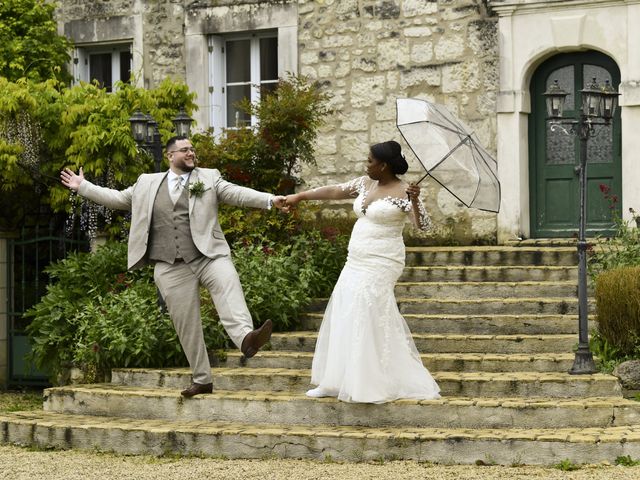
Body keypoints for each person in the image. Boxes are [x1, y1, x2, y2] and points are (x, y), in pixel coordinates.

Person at [60, 135, 289, 398]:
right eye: (185, 150)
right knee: (186, 324)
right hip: (170, 265)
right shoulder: (146, 183)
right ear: (170, 156)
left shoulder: (209, 177)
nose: (191, 153)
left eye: (193, 149)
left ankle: (247, 339)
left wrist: (270, 200)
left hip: (208, 255)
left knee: (228, 288)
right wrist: (83, 186)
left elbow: (236, 193)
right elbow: (117, 198)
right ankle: (202, 379)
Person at [285, 140, 441, 403]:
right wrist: (300, 196)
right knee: (345, 307)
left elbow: (422, 225)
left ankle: (367, 382)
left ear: (384, 165)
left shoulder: (405, 192)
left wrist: (415, 201)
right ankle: (333, 380)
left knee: (367, 311)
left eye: (370, 161)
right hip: (356, 258)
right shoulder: (365, 183)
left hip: (383, 260)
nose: (366, 164)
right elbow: (335, 191)